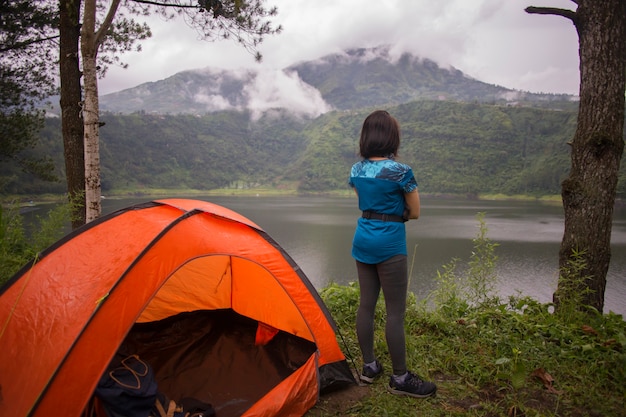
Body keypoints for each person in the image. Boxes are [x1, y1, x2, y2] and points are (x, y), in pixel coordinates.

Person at [348, 110, 436, 398]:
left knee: (366, 306)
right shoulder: (401, 171)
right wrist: (398, 213)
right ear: (391, 137)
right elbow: (416, 212)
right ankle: (400, 378)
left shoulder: (356, 171)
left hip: (363, 238)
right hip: (389, 242)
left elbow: (364, 202)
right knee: (395, 312)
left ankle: (369, 366)